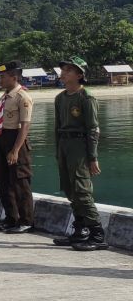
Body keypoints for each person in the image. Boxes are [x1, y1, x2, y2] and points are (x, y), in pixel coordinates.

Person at [52, 57, 107, 250]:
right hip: (65, 145)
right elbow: (57, 127)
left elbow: (93, 129)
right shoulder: (60, 98)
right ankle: (80, 230)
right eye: (63, 70)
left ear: (79, 75)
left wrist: (92, 157)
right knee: (70, 189)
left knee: (82, 191)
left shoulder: (86, 97)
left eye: (68, 70)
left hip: (80, 147)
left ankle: (97, 235)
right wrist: (58, 151)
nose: (63, 73)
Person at [0, 62, 34, 233]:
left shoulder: (22, 97)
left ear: (14, 77)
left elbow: (25, 126)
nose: (0, 80)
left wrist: (15, 150)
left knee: (20, 181)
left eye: (3, 77)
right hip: (0, 139)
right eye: (0, 76)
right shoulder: (4, 97)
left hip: (15, 139)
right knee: (2, 180)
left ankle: (26, 220)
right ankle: (11, 218)